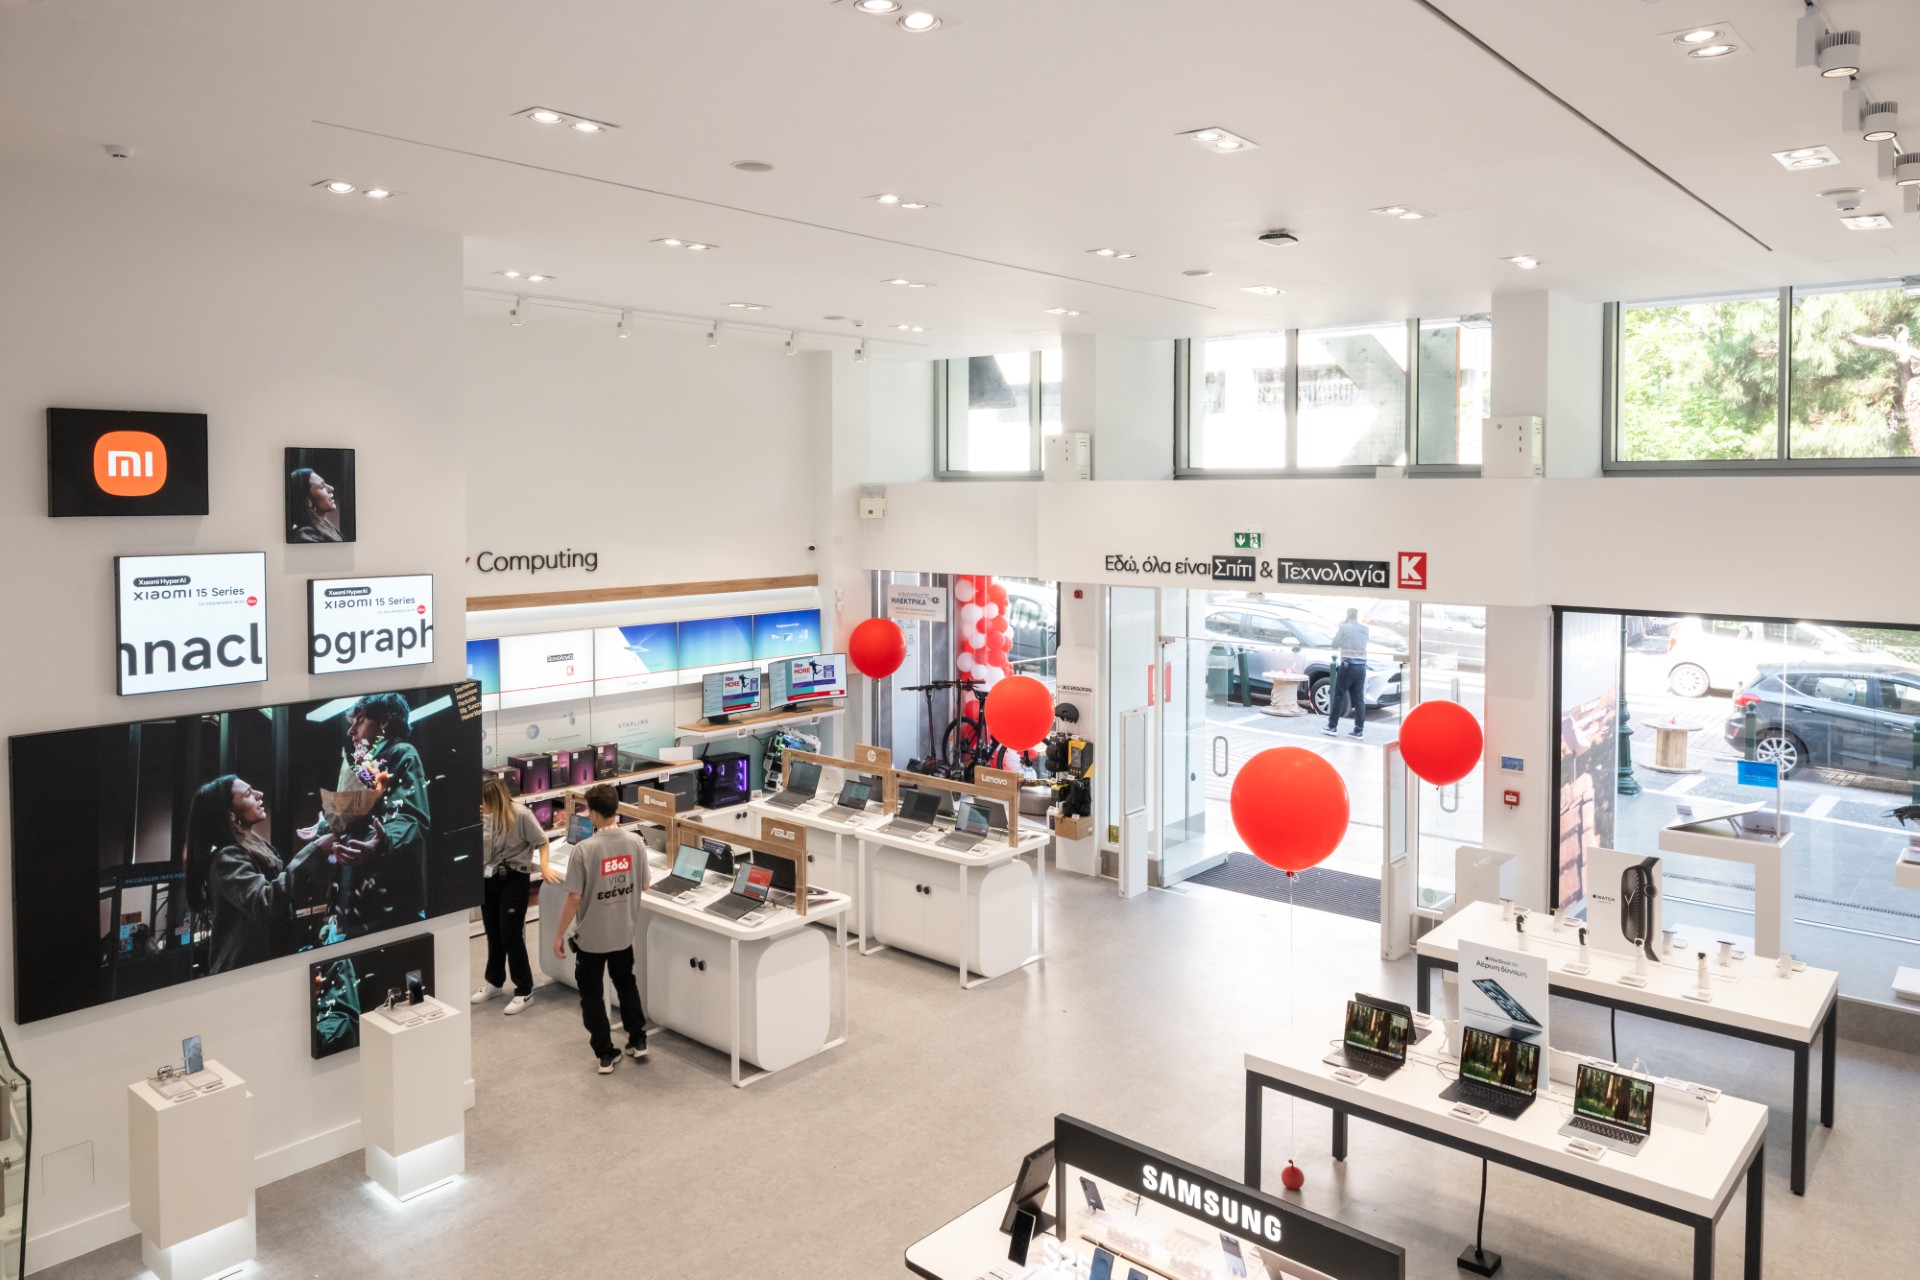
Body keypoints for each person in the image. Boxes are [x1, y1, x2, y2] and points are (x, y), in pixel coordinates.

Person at [304, 691, 432, 943]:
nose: (351, 730)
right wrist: (327, 826)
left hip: (388, 910)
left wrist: (382, 843)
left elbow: (409, 817)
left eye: (360, 721)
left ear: (383, 722)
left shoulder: (402, 753)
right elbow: (358, 821)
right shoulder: (366, 766)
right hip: (357, 911)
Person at [184, 774, 333, 974]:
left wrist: (323, 832)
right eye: (248, 794)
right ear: (230, 814)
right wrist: (315, 850)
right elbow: (264, 903)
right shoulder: (227, 858)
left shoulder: (254, 847)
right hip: (245, 976)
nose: (259, 794)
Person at [548, 784, 649, 1074]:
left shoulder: (584, 849)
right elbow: (644, 884)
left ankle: (605, 1053)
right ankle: (638, 1039)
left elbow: (574, 897)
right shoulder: (636, 842)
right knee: (626, 984)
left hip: (591, 938)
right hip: (623, 932)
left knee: (591, 995)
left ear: (592, 813)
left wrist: (559, 933)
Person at [474, 776, 559, 1014]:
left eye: (485, 801)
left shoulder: (521, 815)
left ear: (495, 800)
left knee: (511, 936)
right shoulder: (483, 815)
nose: (481, 805)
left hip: (513, 880)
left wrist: (544, 867)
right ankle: (494, 982)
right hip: (488, 878)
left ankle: (524, 990)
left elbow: (542, 841)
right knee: (493, 933)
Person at [1324, 607, 1371, 740]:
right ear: (1357, 616)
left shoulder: (1344, 627)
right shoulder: (1365, 628)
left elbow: (1335, 644)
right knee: (1359, 698)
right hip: (1361, 667)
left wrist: (1342, 626)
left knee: (1339, 695)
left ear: (1347, 615)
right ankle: (1359, 730)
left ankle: (1332, 727)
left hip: (1348, 666)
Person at [288, 465, 345, 542]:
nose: (331, 488)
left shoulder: (326, 527)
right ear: (308, 501)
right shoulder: (306, 537)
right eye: (322, 486)